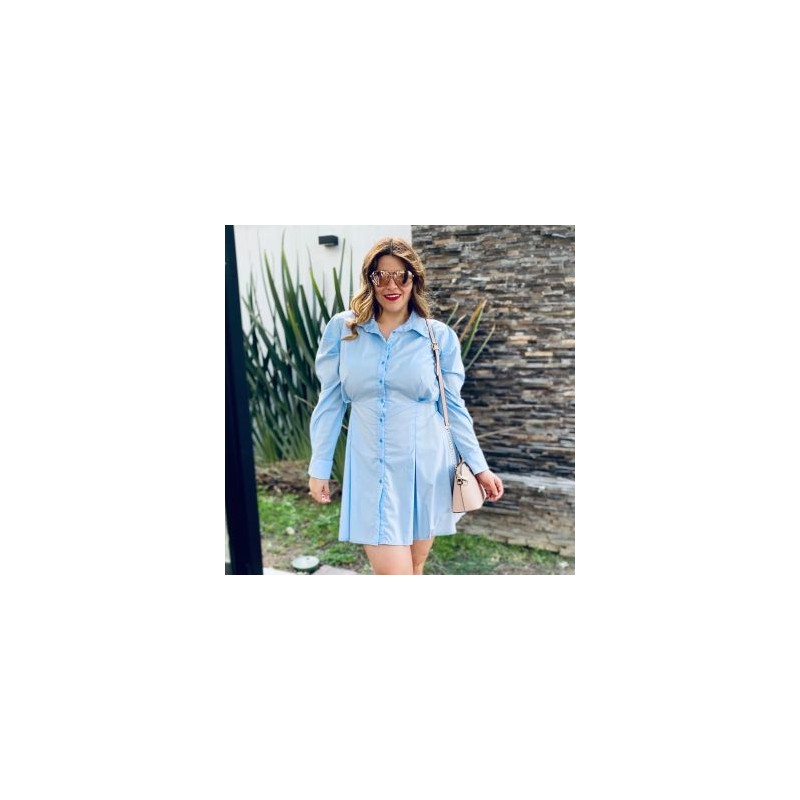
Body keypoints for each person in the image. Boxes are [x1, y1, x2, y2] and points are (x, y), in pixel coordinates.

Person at [307, 236, 504, 575]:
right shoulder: (344, 330)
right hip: (371, 469)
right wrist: (319, 466)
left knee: (415, 567)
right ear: (369, 280)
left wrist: (479, 466)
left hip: (427, 470)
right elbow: (330, 402)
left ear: (415, 279)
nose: (391, 285)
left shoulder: (438, 337)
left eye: (401, 276)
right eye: (381, 276)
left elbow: (453, 407)